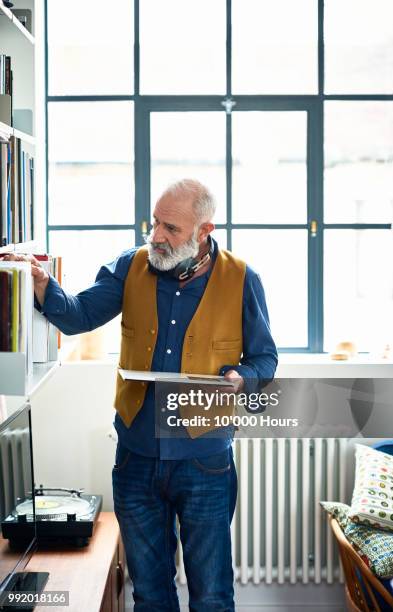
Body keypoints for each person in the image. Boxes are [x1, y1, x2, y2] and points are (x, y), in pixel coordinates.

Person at [4, 179, 278, 611]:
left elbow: (265, 360)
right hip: (136, 459)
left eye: (171, 228)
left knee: (212, 595)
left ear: (204, 231)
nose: (156, 236)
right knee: (150, 594)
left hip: (205, 461)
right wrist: (40, 284)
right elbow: (78, 316)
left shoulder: (243, 279)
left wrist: (243, 378)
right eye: (154, 223)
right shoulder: (130, 266)